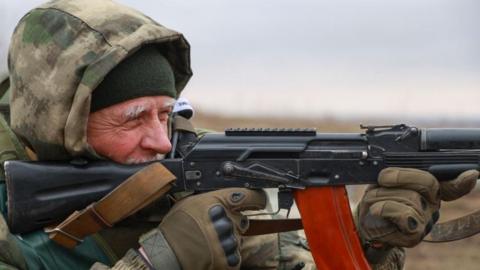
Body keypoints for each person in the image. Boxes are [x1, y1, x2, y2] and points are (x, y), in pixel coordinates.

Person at [0, 0, 477, 269]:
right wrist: (154, 262)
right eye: (131, 119)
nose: (161, 141)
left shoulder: (199, 168)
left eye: (166, 114)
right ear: (60, 123)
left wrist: (369, 243)